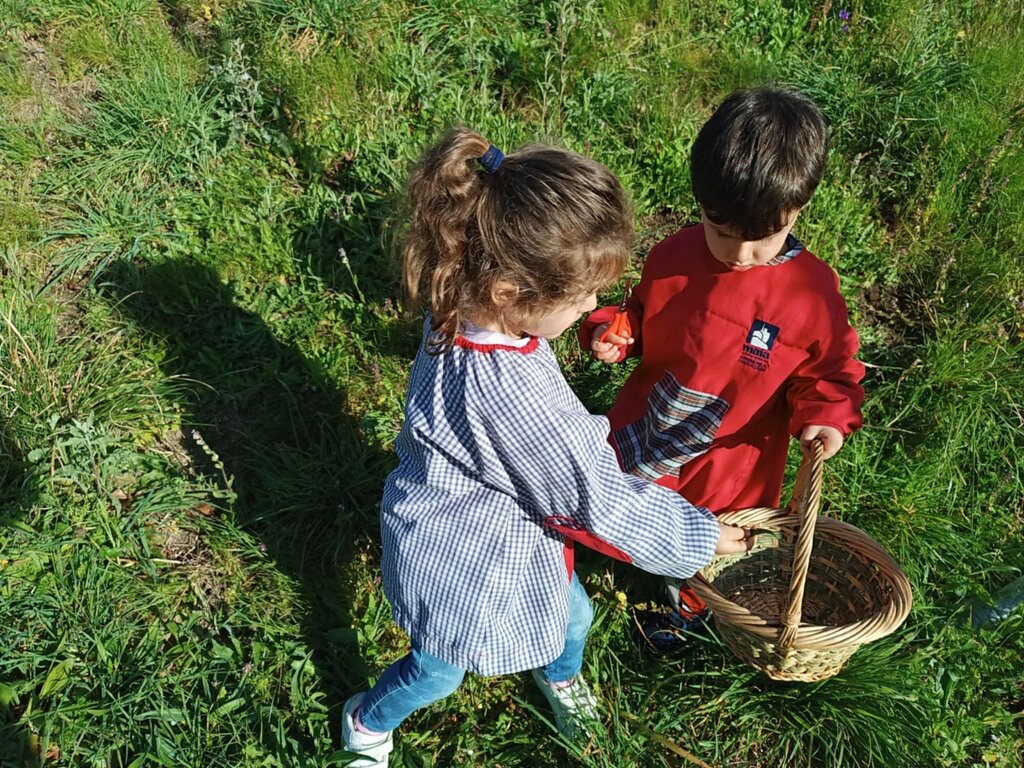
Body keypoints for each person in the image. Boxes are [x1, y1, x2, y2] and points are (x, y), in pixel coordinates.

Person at [341, 127, 753, 767]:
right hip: (459, 561)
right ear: (513, 296)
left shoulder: (461, 297)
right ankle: (368, 722)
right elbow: (598, 501)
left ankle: (558, 674)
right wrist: (699, 538)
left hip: (490, 524)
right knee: (439, 668)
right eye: (582, 295)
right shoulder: (516, 400)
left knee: (571, 618)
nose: (595, 304)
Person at [581, 87, 865, 653]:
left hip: (733, 456)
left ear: (796, 211)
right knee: (632, 500)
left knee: (717, 537)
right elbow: (645, 311)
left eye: (760, 241)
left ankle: (690, 603)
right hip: (654, 424)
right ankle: (617, 542)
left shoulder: (809, 296)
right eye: (720, 232)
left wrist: (826, 418)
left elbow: (831, 369)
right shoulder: (675, 257)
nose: (738, 255)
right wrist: (619, 330)